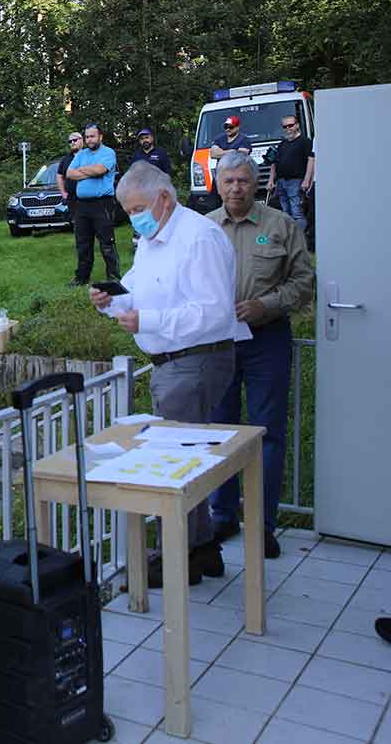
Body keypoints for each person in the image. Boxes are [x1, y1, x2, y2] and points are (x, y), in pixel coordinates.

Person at [89, 161, 247, 587]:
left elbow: (214, 313)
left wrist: (151, 320)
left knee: (177, 461)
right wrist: (113, 303)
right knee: (183, 457)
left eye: (138, 206)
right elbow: (138, 292)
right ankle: (202, 549)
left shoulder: (199, 237)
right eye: (127, 210)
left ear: (164, 198)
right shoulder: (151, 238)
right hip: (172, 361)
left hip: (195, 359)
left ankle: (184, 555)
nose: (133, 216)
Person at [207, 152, 314, 559]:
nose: (236, 188)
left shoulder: (281, 225)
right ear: (218, 183)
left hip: (267, 339)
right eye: (229, 180)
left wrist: (265, 305)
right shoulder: (205, 229)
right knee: (221, 431)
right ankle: (222, 514)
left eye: (243, 181)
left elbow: (304, 284)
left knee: (266, 434)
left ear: (257, 184)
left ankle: (263, 525)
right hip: (217, 343)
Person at [65, 122, 121, 286]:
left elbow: (100, 170)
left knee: (106, 242)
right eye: (87, 137)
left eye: (92, 136)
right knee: (83, 243)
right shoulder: (81, 154)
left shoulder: (108, 152)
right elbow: (69, 173)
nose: (89, 140)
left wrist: (82, 171)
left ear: (100, 137)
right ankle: (82, 277)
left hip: (102, 204)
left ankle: (114, 277)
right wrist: (91, 171)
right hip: (82, 205)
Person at [269, 114, 315, 232]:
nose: (288, 128)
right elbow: (274, 163)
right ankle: (289, 238)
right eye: (285, 126)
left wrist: (306, 180)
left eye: (291, 125)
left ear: (297, 125)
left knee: (297, 212)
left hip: (296, 181)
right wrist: (271, 180)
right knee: (285, 213)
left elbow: (311, 160)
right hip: (281, 182)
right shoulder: (282, 144)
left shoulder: (305, 142)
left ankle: (300, 239)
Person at [57, 131, 83, 209]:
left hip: (87, 199)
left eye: (75, 140)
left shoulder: (89, 155)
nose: (72, 142)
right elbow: (59, 176)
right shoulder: (65, 159)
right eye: (70, 141)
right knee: (73, 220)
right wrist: (63, 193)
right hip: (71, 200)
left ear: (81, 140)